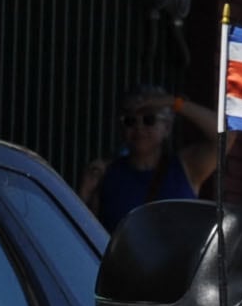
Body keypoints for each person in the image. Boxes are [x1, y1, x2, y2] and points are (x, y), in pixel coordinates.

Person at [81, 85, 223, 224]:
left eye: (149, 119)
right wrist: (85, 193)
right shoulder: (107, 174)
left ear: (167, 127)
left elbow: (225, 135)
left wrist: (174, 103)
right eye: (130, 121)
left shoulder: (185, 168)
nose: (139, 127)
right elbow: (88, 232)